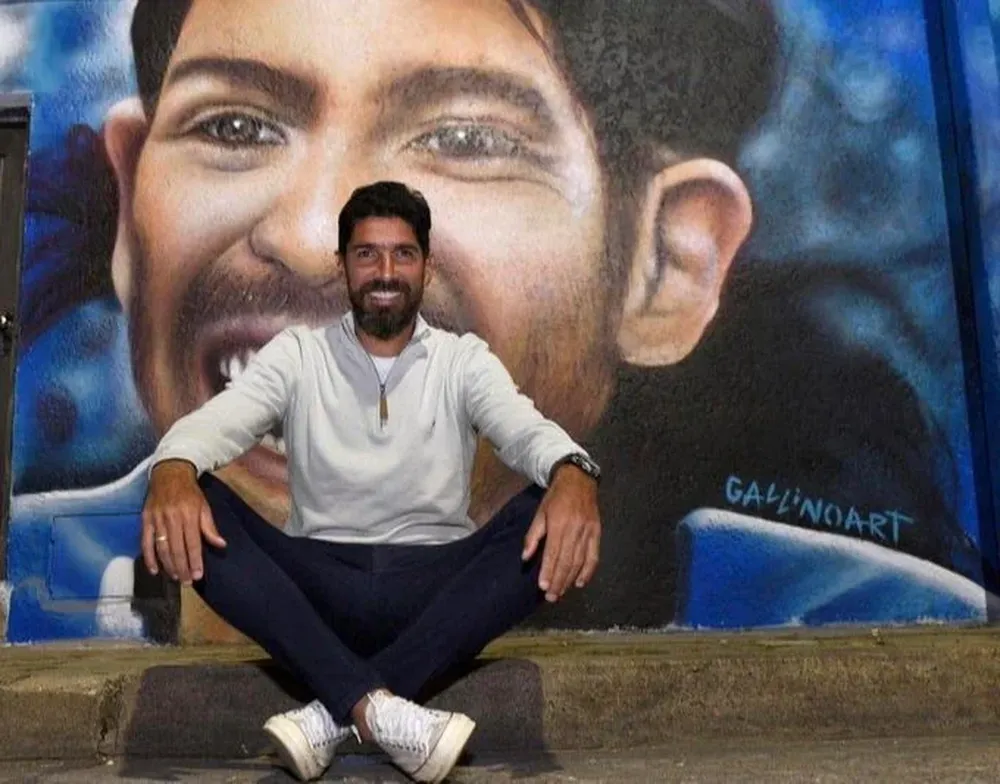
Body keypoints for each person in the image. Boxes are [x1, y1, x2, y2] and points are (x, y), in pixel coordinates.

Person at [6, 0, 989, 644]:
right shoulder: (24, 597)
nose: (316, 237)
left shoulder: (859, 631)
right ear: (133, 205)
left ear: (664, 263)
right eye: (234, 126)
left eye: (465, 139)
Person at [140, 180, 603, 782]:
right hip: (318, 586)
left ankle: (339, 714)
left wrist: (574, 472)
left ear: (425, 266)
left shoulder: (463, 360)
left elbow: (528, 431)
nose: (385, 271)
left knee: (547, 507)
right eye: (367, 255)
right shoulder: (297, 355)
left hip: (434, 586)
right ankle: (379, 710)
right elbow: (213, 428)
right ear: (342, 267)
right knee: (194, 497)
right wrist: (173, 470)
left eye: (402, 254)